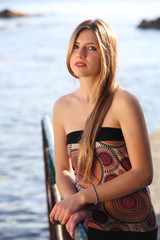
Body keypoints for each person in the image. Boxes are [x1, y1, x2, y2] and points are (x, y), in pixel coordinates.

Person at [49, 19, 158, 240]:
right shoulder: (62, 106)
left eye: (91, 48)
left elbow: (143, 173)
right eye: (76, 46)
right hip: (88, 224)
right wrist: (75, 204)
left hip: (132, 227)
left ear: (107, 55)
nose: (80, 54)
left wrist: (82, 198)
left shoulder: (124, 102)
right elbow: (62, 169)